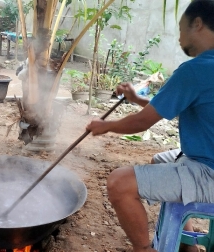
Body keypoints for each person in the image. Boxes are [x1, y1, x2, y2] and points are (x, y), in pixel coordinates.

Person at [86, 1, 214, 252]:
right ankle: (187, 244)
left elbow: (143, 121)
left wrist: (106, 126)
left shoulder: (196, 70)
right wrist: (136, 99)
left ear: (197, 24)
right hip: (205, 160)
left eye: (180, 29)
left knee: (119, 183)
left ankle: (145, 249)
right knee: (159, 160)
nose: (178, 38)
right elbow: (174, 107)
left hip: (208, 172)